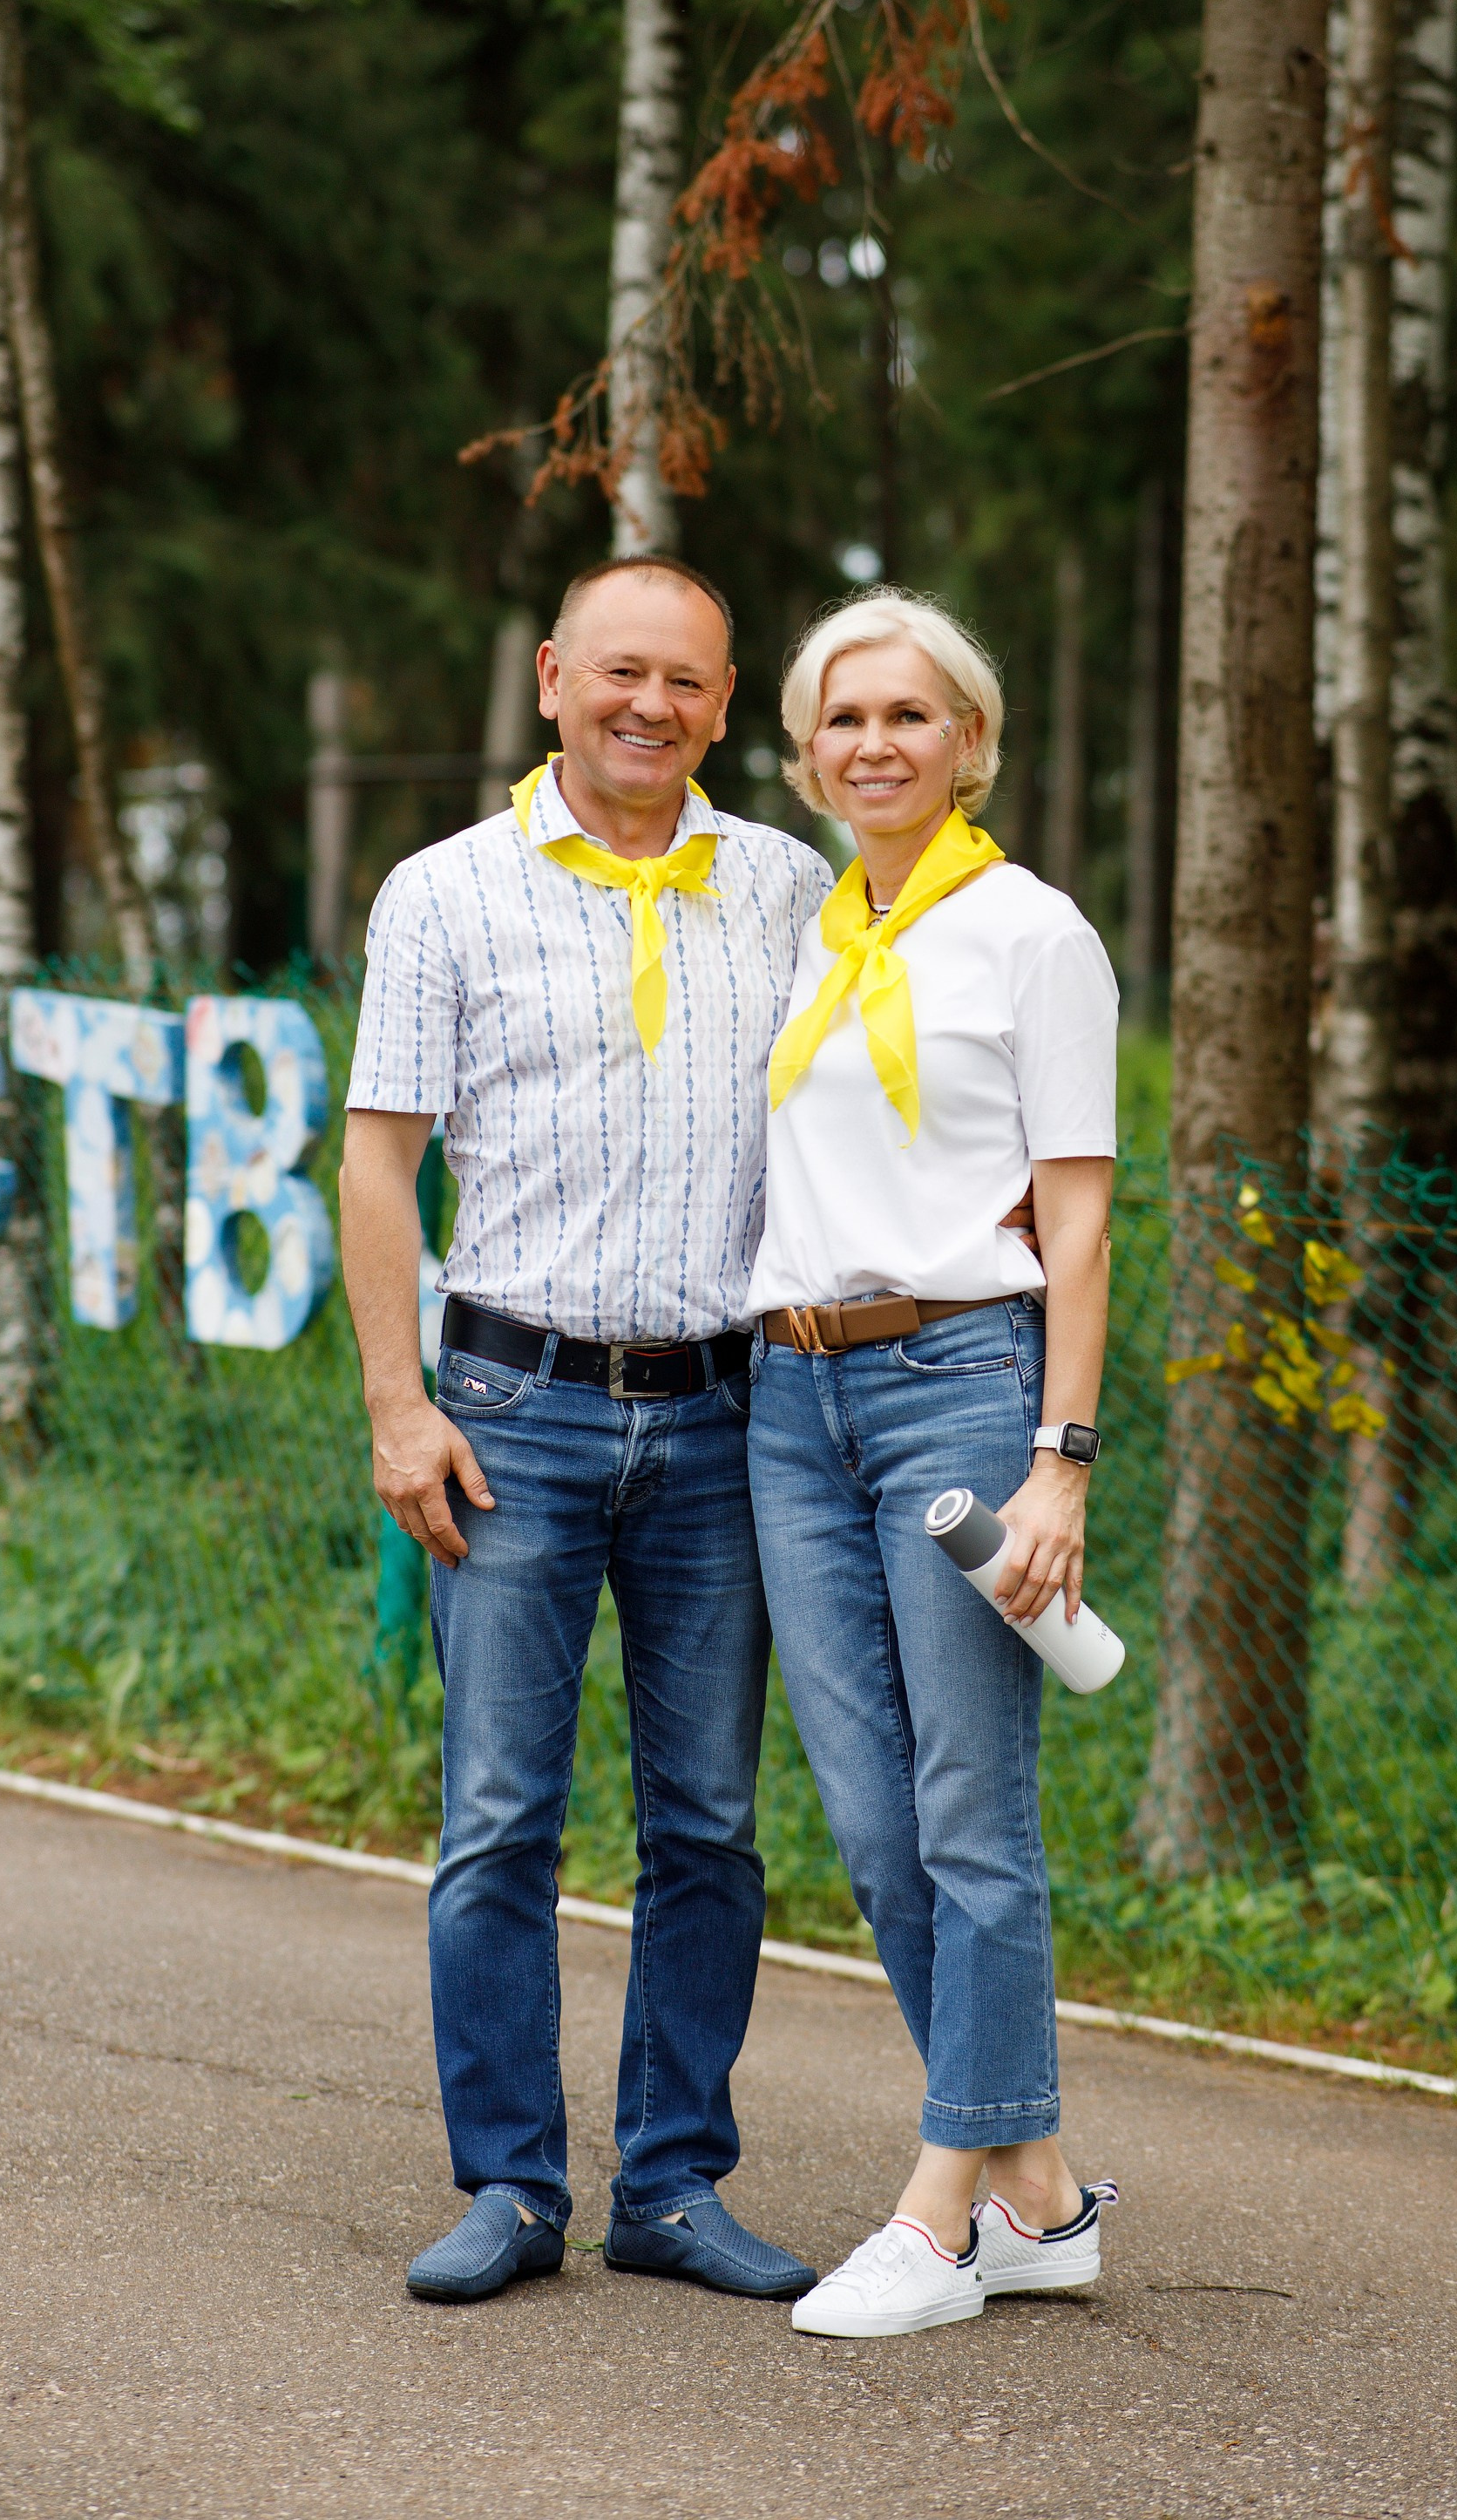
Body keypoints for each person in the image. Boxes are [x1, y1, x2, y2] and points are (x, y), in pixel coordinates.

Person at [340, 556, 833, 2306]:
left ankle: (677, 2187)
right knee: (499, 1820)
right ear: (554, 678)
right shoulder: (447, 895)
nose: (651, 706)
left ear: (722, 701)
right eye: (619, 672)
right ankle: (510, 2187)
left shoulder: (789, 889)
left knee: (708, 1823)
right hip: (508, 1411)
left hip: (723, 1415)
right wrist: (400, 1404)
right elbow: (382, 1163)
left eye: (687, 683)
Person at [742, 588, 1119, 2340]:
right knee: (872, 1819)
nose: (874, 744)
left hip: (964, 1389)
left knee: (973, 1811)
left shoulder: (1032, 934)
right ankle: (1039, 2190)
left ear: (968, 738)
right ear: (808, 753)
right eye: (843, 718)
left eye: (908, 715)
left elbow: (1082, 1211)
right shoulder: (808, 937)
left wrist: (1064, 1459)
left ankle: (941, 2215)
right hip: (791, 1404)